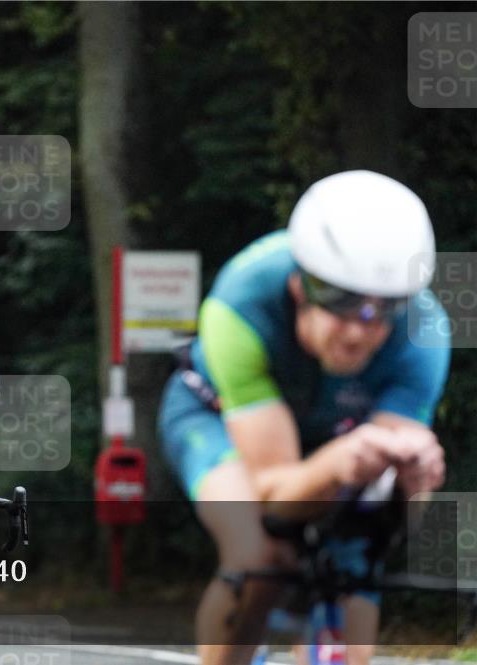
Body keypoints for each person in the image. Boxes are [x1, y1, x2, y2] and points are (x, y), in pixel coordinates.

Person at [157, 170, 452, 665]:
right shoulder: (241, 302)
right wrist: (339, 463)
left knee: (355, 566)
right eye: (342, 303)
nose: (362, 331)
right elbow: (273, 492)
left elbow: (389, 519)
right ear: (301, 288)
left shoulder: (426, 335)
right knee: (258, 556)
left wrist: (411, 487)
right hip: (212, 417)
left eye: (386, 311)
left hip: (334, 435)